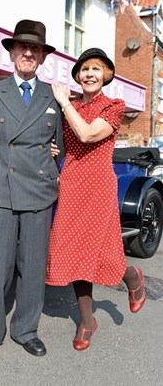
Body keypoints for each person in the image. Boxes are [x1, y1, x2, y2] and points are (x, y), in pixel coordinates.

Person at [0, 19, 64, 359]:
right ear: (11, 53)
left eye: (35, 48)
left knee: (32, 264)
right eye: (22, 47)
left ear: (42, 56)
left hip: (39, 188)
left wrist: (56, 157)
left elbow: (60, 145)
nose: (28, 53)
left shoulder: (52, 95)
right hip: (0, 186)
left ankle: (26, 329)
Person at [47, 48, 146, 351]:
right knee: (74, 252)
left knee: (98, 251)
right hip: (71, 184)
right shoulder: (72, 106)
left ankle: (132, 277)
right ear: (77, 76)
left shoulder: (113, 106)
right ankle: (88, 320)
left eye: (96, 69)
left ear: (105, 76)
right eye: (84, 69)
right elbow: (67, 144)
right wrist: (54, 151)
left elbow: (88, 135)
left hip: (99, 186)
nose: (89, 73)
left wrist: (64, 102)